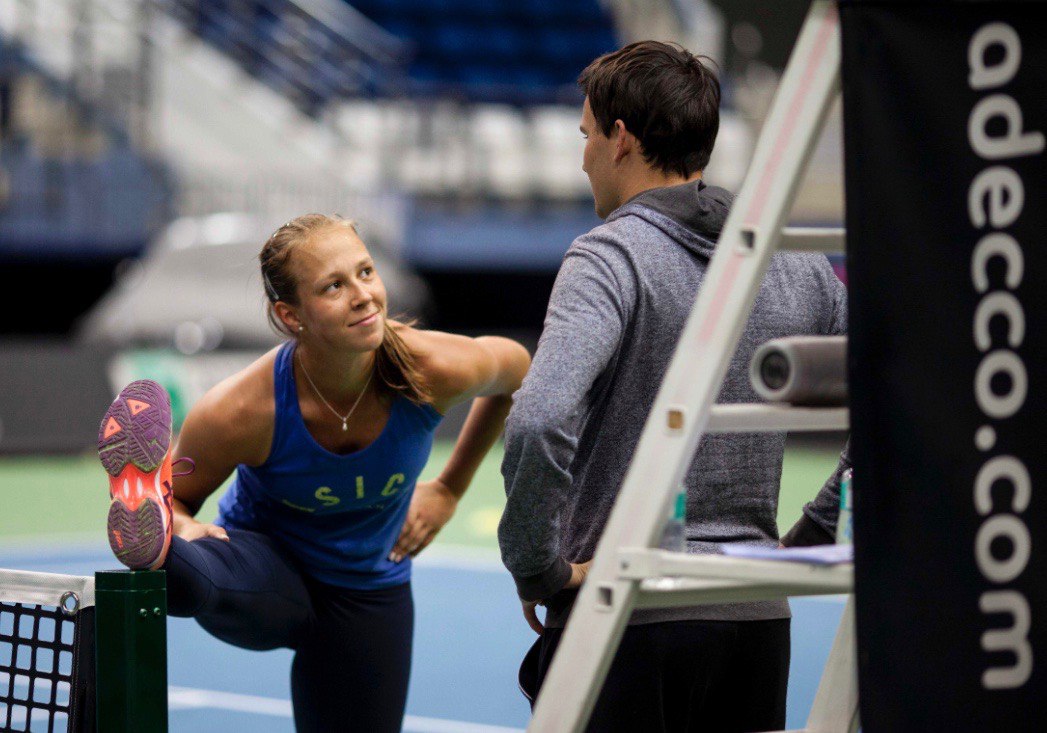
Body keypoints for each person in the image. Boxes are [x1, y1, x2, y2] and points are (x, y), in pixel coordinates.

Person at [497, 42, 848, 732]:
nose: (582, 156)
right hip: (755, 618)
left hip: (624, 611)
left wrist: (536, 565)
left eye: (586, 135)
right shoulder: (795, 263)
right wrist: (822, 519)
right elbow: (890, 393)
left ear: (620, 139)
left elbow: (537, 419)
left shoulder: (607, 255)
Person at [98, 213, 531, 732]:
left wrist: (448, 489)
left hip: (369, 590)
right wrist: (180, 519)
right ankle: (160, 544)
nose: (363, 295)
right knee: (186, 575)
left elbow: (516, 372)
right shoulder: (242, 410)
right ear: (290, 314)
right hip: (264, 571)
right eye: (334, 286)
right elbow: (183, 496)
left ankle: (166, 549)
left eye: (366, 272)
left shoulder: (433, 368)